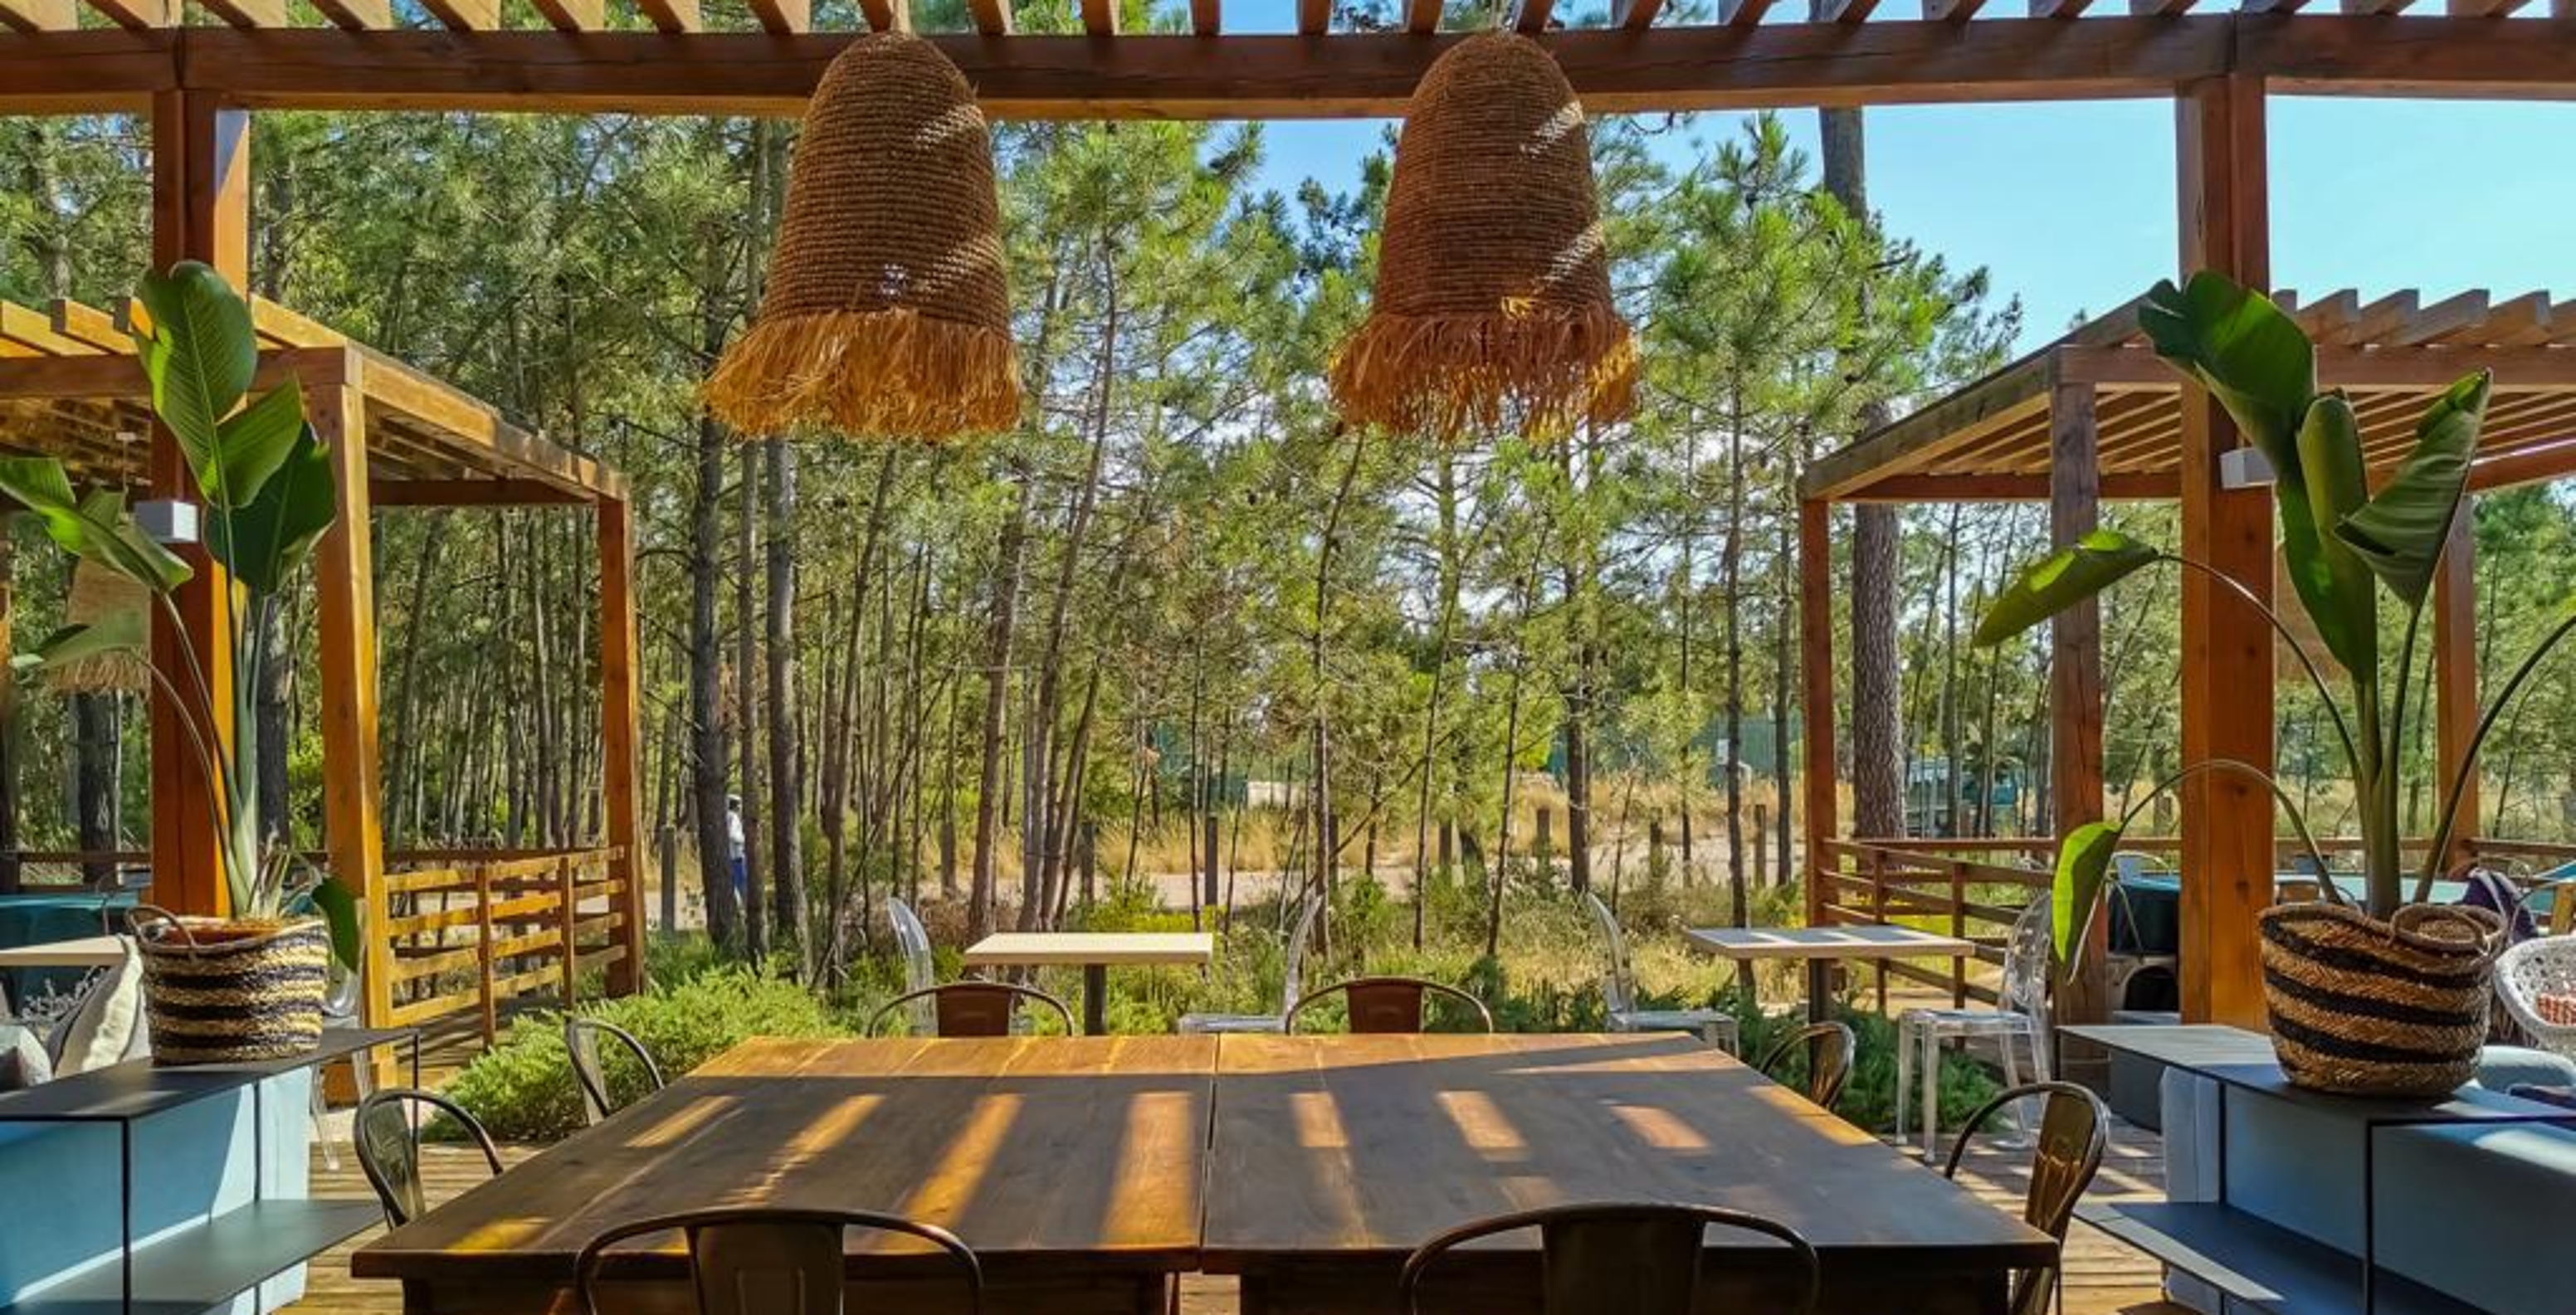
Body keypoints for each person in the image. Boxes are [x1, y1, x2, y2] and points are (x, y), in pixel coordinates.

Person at [725, 794, 747, 901]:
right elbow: (732, 834)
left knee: (732, 885)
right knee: (741, 883)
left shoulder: (726, 816)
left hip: (731, 855)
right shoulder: (733, 817)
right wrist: (743, 839)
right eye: (739, 804)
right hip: (736, 856)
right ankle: (745, 905)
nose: (740, 807)